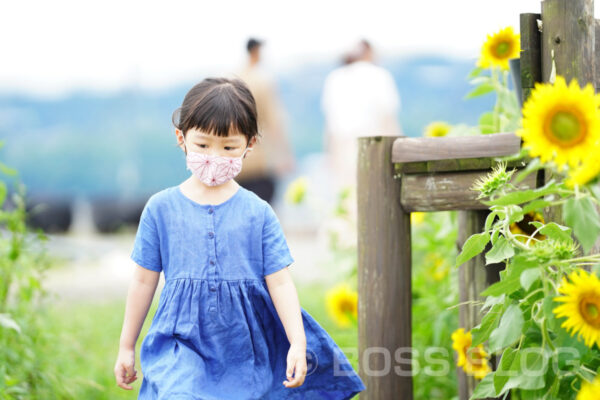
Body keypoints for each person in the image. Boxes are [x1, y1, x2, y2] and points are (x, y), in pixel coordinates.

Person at [113, 77, 366, 399]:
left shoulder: (257, 212)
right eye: (203, 145)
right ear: (181, 138)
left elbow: (280, 282)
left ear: (250, 145)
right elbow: (143, 281)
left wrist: (297, 343)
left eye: (229, 147)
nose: (215, 156)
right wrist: (126, 345)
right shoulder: (160, 209)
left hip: (242, 346)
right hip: (179, 341)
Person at [321, 39, 402, 192]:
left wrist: (330, 156)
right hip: (375, 147)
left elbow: (330, 126)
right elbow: (389, 119)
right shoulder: (379, 75)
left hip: (343, 149)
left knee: (348, 198)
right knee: (376, 196)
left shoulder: (334, 78)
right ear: (369, 52)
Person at [232, 37, 296, 204]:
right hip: (260, 158)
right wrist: (285, 156)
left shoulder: (232, 79)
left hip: (235, 158)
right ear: (256, 51)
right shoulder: (263, 81)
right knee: (261, 212)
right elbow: (274, 121)